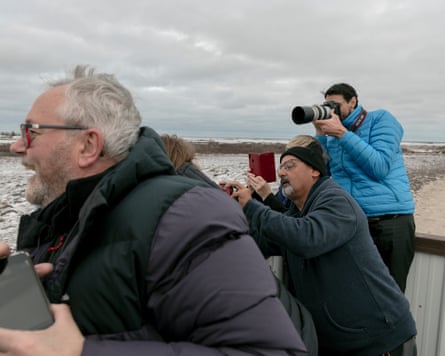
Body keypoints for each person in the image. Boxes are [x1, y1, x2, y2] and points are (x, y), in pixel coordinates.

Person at [0, 65, 308, 355]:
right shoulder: (66, 217)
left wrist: (82, 352)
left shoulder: (185, 217)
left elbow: (270, 350)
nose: (16, 146)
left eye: (31, 132)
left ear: (87, 145)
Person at [229, 138, 417, 355]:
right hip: (338, 341)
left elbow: (305, 238)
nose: (281, 173)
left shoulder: (336, 201)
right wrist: (231, 214)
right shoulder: (297, 212)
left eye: (289, 166)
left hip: (378, 340)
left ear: (314, 171)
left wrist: (251, 206)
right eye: (280, 167)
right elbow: (266, 241)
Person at [311, 83, 415, 293]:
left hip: (390, 222)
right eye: (328, 105)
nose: (332, 109)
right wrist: (320, 134)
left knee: (390, 294)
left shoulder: (381, 120)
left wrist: (342, 134)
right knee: (355, 292)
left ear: (353, 102)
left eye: (336, 104)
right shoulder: (333, 135)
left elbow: (379, 167)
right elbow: (319, 172)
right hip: (353, 222)